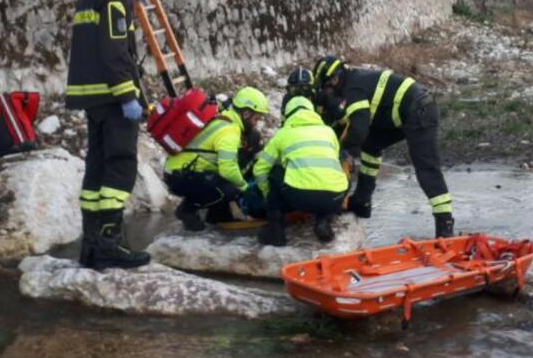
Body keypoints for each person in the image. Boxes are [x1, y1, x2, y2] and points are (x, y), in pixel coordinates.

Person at [65, 0, 150, 269]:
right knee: (121, 164)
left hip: (92, 97)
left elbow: (95, 41)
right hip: (114, 97)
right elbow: (114, 51)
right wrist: (128, 95)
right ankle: (111, 243)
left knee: (97, 166)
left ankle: (91, 245)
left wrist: (129, 1)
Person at [313, 56, 455, 238]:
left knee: (426, 168)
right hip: (405, 113)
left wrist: (338, 148)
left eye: (327, 87)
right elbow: (354, 129)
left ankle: (445, 224)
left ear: (335, 79)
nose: (328, 92)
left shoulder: (353, 89)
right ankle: (362, 200)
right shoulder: (352, 81)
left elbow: (357, 131)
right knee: (372, 144)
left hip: (420, 110)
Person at [164, 87, 270, 231]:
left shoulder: (222, 119)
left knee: (224, 184)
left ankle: (214, 217)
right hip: (181, 175)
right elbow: (228, 169)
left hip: (181, 172)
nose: (257, 123)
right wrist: (245, 188)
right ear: (246, 114)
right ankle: (186, 210)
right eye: (256, 118)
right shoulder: (230, 130)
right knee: (230, 188)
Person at [252, 95, 349, 246]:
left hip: (298, 197)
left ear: (287, 114)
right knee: (336, 174)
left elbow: (260, 169)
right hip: (334, 199)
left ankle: (276, 231)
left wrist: (267, 196)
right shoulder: (329, 132)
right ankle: (324, 219)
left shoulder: (282, 134)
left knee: (276, 172)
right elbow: (333, 162)